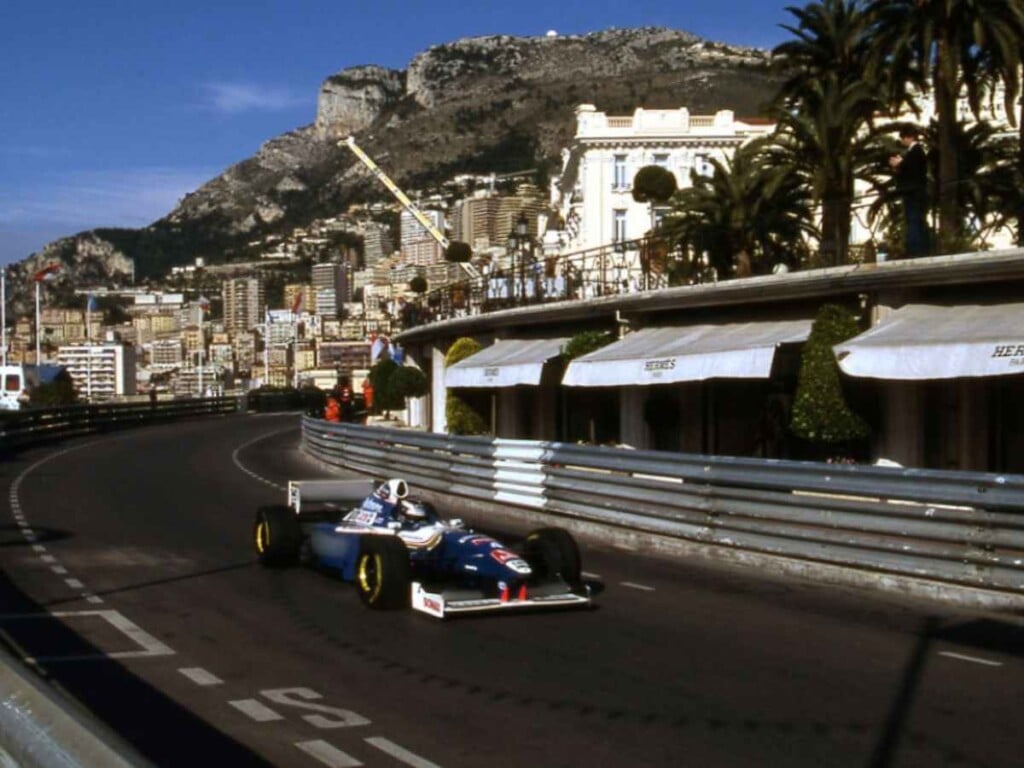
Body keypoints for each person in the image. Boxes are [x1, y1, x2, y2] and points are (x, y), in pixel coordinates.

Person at [889, 125, 929, 258]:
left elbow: (911, 171)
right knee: (916, 219)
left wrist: (899, 164)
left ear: (909, 137)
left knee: (913, 220)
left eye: (903, 138)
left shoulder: (916, 151)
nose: (902, 141)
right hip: (915, 192)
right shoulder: (915, 152)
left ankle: (915, 250)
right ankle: (919, 248)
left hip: (913, 192)